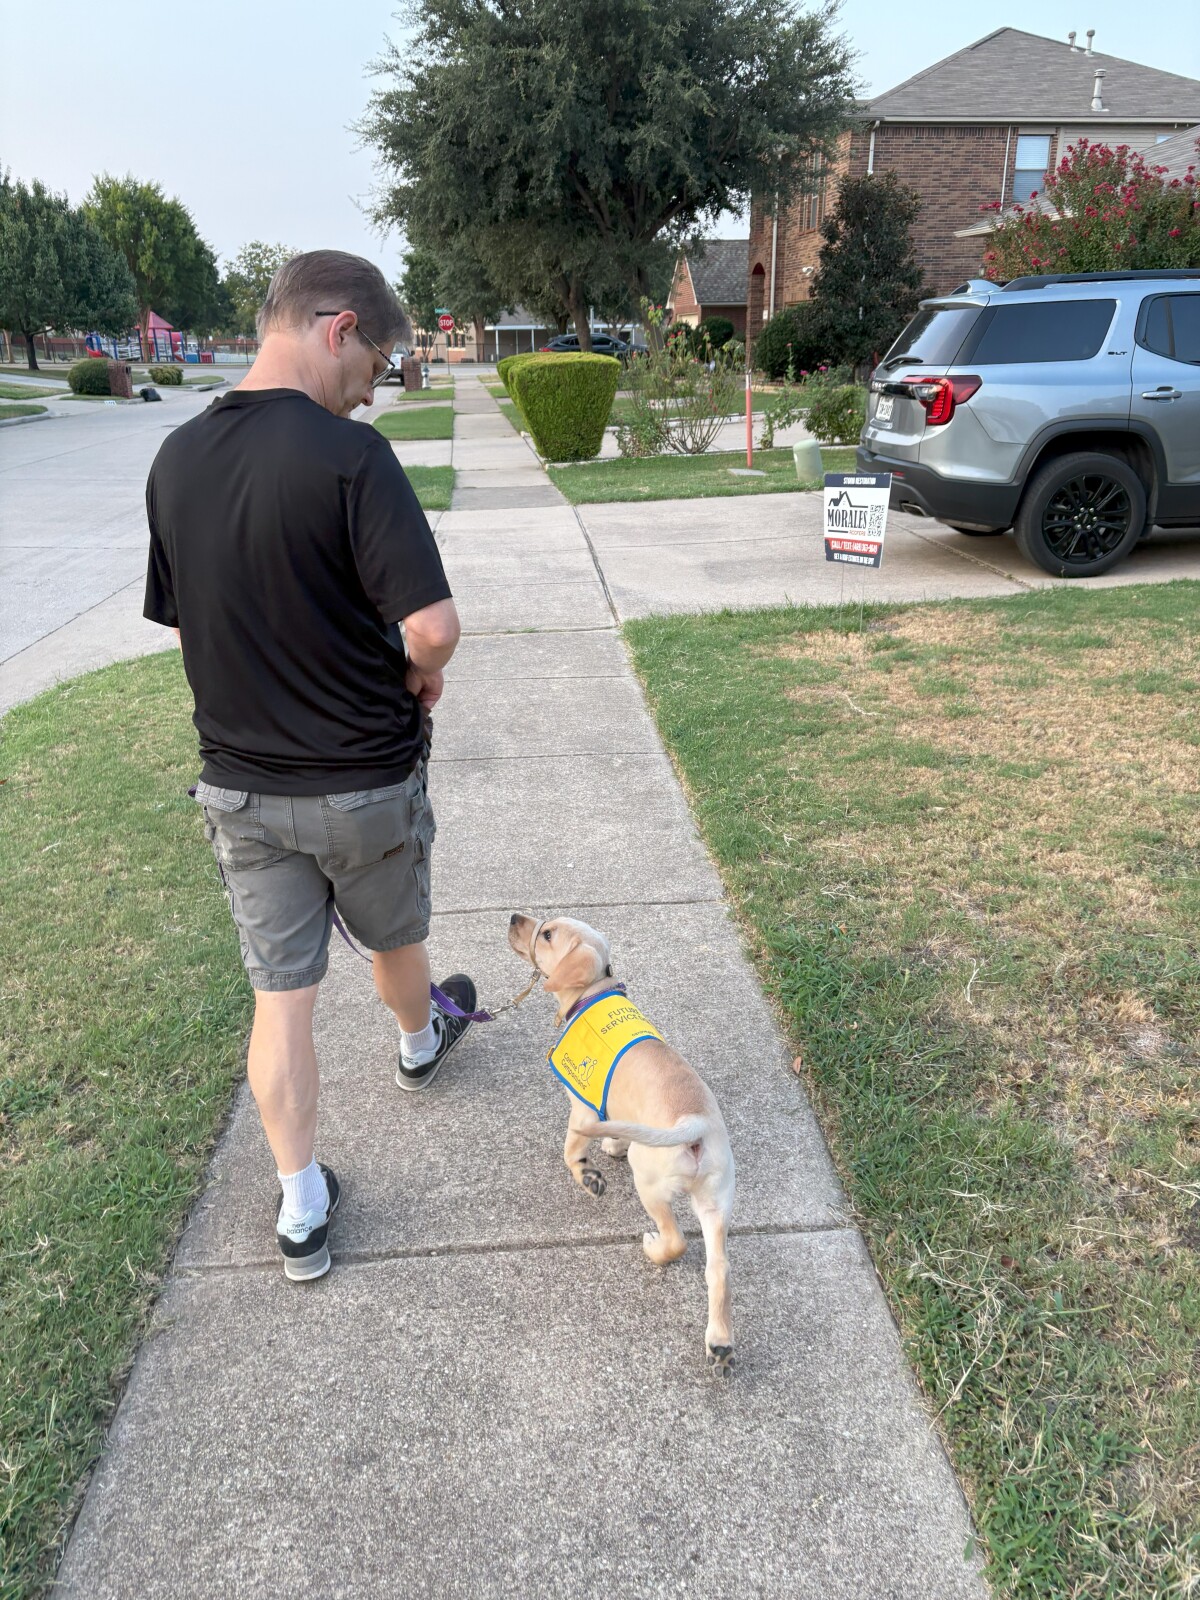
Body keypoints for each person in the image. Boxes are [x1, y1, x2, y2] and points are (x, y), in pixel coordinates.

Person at [143, 250, 476, 1283]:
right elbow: (433, 626)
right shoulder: (351, 457)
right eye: (374, 365)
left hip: (241, 789)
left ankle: (300, 1209)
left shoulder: (175, 459)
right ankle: (419, 1045)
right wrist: (421, 673)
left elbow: (188, 623)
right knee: (393, 930)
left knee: (280, 997)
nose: (371, 390)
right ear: (337, 328)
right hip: (363, 780)